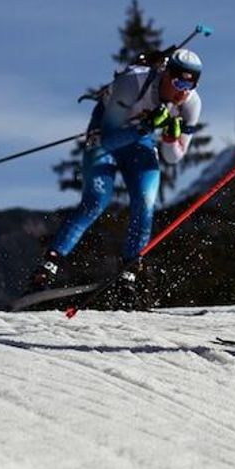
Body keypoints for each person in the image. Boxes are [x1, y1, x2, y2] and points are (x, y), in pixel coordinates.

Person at [28, 49, 204, 306]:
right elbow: (110, 139)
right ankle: (48, 267)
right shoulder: (133, 82)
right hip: (106, 137)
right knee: (96, 201)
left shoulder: (191, 104)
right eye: (179, 82)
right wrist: (147, 126)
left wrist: (168, 138)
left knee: (145, 202)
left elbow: (173, 157)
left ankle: (129, 274)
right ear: (166, 75)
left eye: (191, 84)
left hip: (139, 142)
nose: (183, 91)